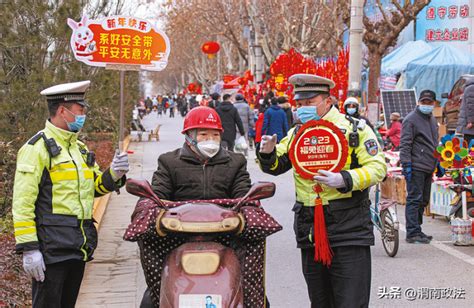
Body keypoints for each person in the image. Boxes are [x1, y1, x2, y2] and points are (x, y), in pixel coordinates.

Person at [257, 74, 386, 307]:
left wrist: (345, 178)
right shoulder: (298, 133)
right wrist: (267, 153)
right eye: (299, 104)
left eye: (309, 102)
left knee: (350, 301)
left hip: (348, 228)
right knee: (320, 301)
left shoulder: (354, 129)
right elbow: (277, 165)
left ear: (328, 101)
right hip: (310, 230)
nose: (303, 109)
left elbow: (378, 168)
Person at [139, 106, 273, 307]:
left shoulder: (236, 162)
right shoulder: (168, 162)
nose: (210, 139)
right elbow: (157, 196)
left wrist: (245, 213)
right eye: (203, 134)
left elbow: (244, 196)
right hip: (177, 236)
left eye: (215, 134)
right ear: (189, 137)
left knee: (258, 299)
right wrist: (155, 213)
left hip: (226, 235)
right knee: (151, 300)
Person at [12, 81, 129, 308]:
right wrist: (29, 248)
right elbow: (23, 203)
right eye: (80, 109)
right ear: (63, 111)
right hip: (50, 250)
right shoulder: (37, 148)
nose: (83, 115)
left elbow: (94, 188)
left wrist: (115, 173)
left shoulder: (79, 149)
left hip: (78, 245)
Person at [400, 90, 439, 244]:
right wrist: (406, 164)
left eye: (429, 103)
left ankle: (418, 228)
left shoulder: (431, 119)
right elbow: (405, 144)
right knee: (414, 199)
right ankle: (412, 232)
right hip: (416, 165)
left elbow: (434, 143)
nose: (426, 105)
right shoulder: (411, 120)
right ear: (418, 102)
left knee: (423, 200)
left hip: (429, 165)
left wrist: (438, 161)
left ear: (434, 103)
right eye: (424, 102)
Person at [457, 79, 474, 145]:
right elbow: (471, 106)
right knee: (470, 150)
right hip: (471, 126)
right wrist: (471, 121)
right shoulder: (472, 88)